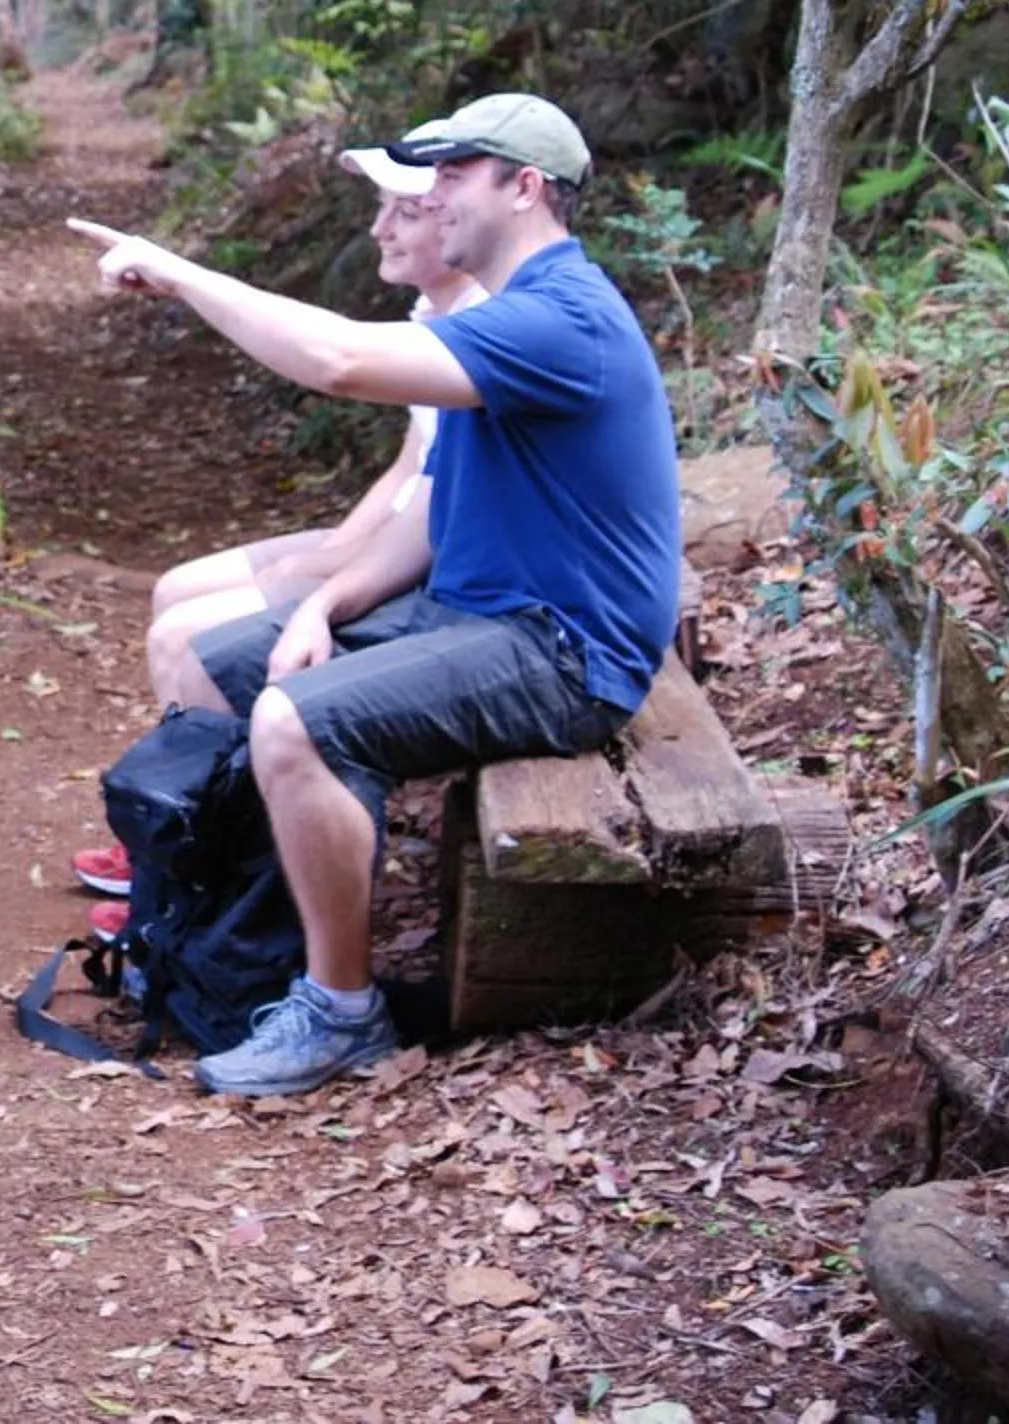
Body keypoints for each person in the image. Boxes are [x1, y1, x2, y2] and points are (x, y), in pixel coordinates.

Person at [69, 93, 681, 1097]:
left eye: (453, 178)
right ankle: (222, 941)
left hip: (566, 652)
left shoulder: (562, 318)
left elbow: (339, 360)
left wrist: (180, 275)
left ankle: (339, 1010)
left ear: (524, 188)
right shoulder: (500, 317)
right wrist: (323, 604)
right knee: (220, 665)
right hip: (480, 615)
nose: (431, 200)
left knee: (295, 721)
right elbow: (433, 518)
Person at [72, 137, 484, 909]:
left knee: (184, 638)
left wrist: (332, 581)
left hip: (427, 568)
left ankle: (195, 859)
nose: (381, 231)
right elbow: (409, 466)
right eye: (384, 210)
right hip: (396, 540)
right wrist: (333, 549)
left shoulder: (483, 328)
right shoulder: (435, 309)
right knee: (176, 589)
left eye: (407, 212)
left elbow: (432, 495)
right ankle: (181, 820)